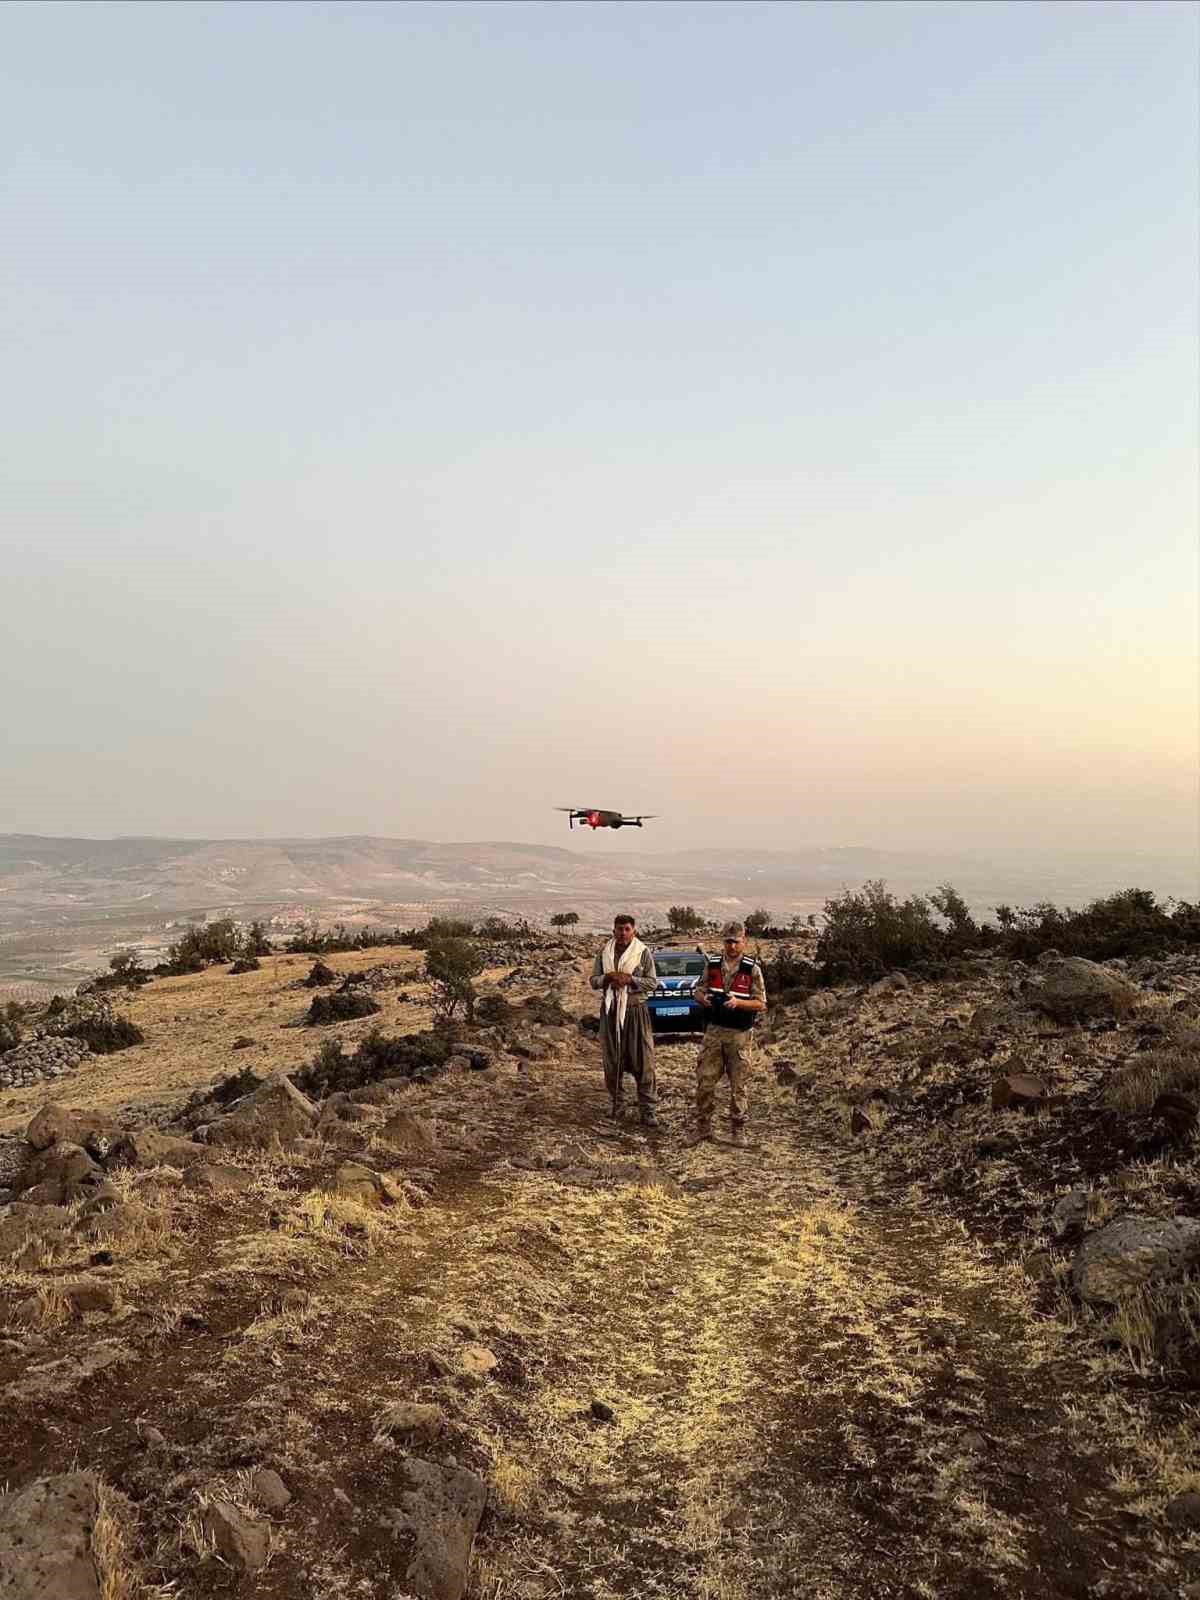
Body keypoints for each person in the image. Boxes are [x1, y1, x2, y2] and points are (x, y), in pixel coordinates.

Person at [690, 920, 767, 1145]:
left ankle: (738, 1130)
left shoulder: (752, 969)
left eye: (736, 941)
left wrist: (739, 1003)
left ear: (744, 941)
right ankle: (703, 1128)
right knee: (705, 1081)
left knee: (738, 1084)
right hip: (714, 1032)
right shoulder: (713, 964)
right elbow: (699, 989)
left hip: (739, 1035)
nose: (732, 946)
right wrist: (702, 998)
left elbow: (762, 1003)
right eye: (728, 941)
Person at [589, 914, 658, 1127]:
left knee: (643, 1060)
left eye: (627, 929)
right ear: (614, 931)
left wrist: (630, 979)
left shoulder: (642, 952)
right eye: (619, 929)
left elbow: (653, 982)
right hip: (610, 1012)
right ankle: (617, 1105)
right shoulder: (605, 953)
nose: (623, 933)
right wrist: (608, 978)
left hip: (636, 1010)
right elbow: (594, 981)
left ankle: (648, 1110)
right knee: (612, 1060)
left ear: (633, 931)